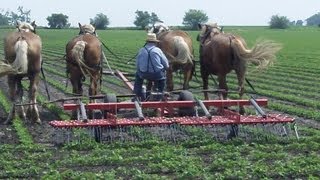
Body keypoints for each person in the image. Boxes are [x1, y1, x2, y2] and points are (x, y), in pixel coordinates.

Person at [133, 33, 169, 101]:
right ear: (155, 42)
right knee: (162, 79)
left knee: (138, 76)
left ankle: (137, 95)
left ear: (147, 42)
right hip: (157, 75)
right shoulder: (158, 50)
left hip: (143, 74)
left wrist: (141, 70)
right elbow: (166, 65)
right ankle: (160, 94)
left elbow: (137, 65)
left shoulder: (141, 50)